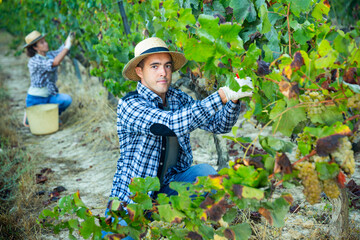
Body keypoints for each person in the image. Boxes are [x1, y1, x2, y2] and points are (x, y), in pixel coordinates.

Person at [104, 37, 253, 239]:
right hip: (131, 201)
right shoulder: (130, 105)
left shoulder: (176, 97)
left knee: (207, 174)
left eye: (166, 66)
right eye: (154, 66)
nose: (163, 72)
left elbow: (219, 124)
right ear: (139, 72)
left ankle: (182, 221)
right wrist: (222, 95)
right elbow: (172, 124)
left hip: (167, 191)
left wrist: (233, 99)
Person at [23, 30, 75, 127]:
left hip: (49, 96)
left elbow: (61, 50)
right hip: (36, 99)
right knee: (36, 125)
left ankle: (54, 116)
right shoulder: (34, 61)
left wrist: (70, 36)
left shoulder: (49, 55)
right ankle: (28, 115)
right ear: (35, 47)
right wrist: (67, 47)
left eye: (45, 41)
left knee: (67, 100)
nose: (46, 44)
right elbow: (55, 62)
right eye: (42, 43)